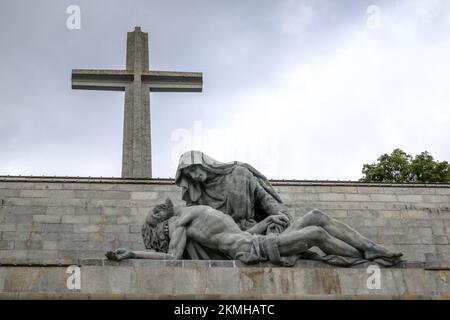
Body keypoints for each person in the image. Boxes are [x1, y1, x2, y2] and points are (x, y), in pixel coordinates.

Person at [108, 199, 403, 267]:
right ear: (159, 226)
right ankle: (366, 260)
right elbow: (172, 258)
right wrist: (133, 253)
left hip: (256, 239)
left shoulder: (190, 211)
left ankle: (370, 250)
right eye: (156, 213)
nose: (161, 206)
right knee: (315, 233)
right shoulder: (178, 225)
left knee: (316, 216)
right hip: (255, 250)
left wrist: (268, 220)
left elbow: (240, 231)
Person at [171, 151, 292, 259]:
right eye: (189, 175)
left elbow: (265, 199)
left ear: (202, 164)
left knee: (279, 227)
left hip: (248, 231)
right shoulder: (197, 194)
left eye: (192, 170)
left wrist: (281, 214)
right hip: (217, 238)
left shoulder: (239, 173)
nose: (193, 176)